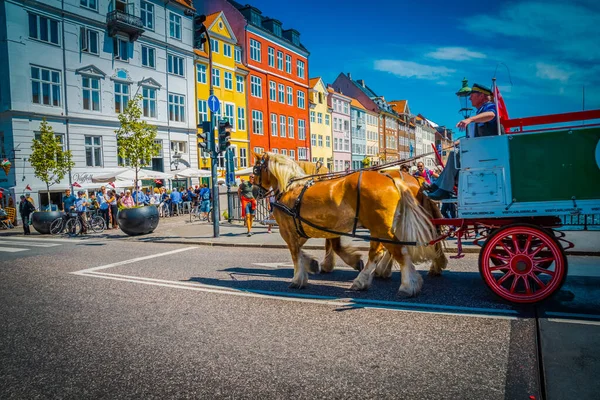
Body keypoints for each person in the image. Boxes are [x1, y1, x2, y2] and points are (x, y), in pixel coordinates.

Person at [425, 83, 505, 200]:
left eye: (472, 95)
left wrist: (470, 119)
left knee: (454, 154)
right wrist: (461, 141)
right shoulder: (480, 111)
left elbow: (492, 115)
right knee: (455, 152)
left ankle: (444, 189)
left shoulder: (489, 107)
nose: (469, 98)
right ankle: (439, 186)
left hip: (488, 154)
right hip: (480, 153)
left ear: (481, 96)